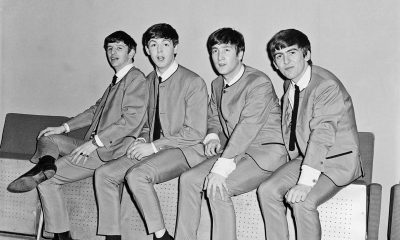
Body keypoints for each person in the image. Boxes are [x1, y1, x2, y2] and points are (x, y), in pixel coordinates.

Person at [7, 30, 149, 240]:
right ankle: (46, 165)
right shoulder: (117, 81)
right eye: (109, 48)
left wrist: (95, 143)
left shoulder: (135, 78)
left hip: (108, 151)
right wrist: (63, 127)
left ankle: (62, 235)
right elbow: (94, 111)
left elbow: (131, 120)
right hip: (93, 144)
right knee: (47, 137)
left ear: (132, 52)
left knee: (46, 182)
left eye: (119, 48)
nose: (113, 52)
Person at [174, 27, 287, 240]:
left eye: (226, 50)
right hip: (236, 152)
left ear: (240, 53)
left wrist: (221, 169)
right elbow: (214, 116)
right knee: (189, 179)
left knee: (218, 187)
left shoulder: (258, 82)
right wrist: (213, 136)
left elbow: (247, 128)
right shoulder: (217, 83)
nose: (219, 56)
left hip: (265, 153)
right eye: (215, 51)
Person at [258, 28, 363, 240]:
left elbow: (322, 134)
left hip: (336, 162)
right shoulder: (290, 84)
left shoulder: (325, 85)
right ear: (274, 64)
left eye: (292, 53)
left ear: (307, 54)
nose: (286, 61)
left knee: (302, 202)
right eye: (279, 56)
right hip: (308, 158)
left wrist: (305, 183)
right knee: (267, 190)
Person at [115, 23, 208, 240]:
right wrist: (140, 140)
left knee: (137, 175)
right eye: (153, 45)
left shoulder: (193, 81)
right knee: (106, 173)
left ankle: (161, 236)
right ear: (146, 50)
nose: (159, 51)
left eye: (165, 44)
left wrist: (153, 146)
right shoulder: (148, 81)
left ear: (175, 48)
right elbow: (149, 124)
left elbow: (195, 133)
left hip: (186, 150)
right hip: (156, 149)